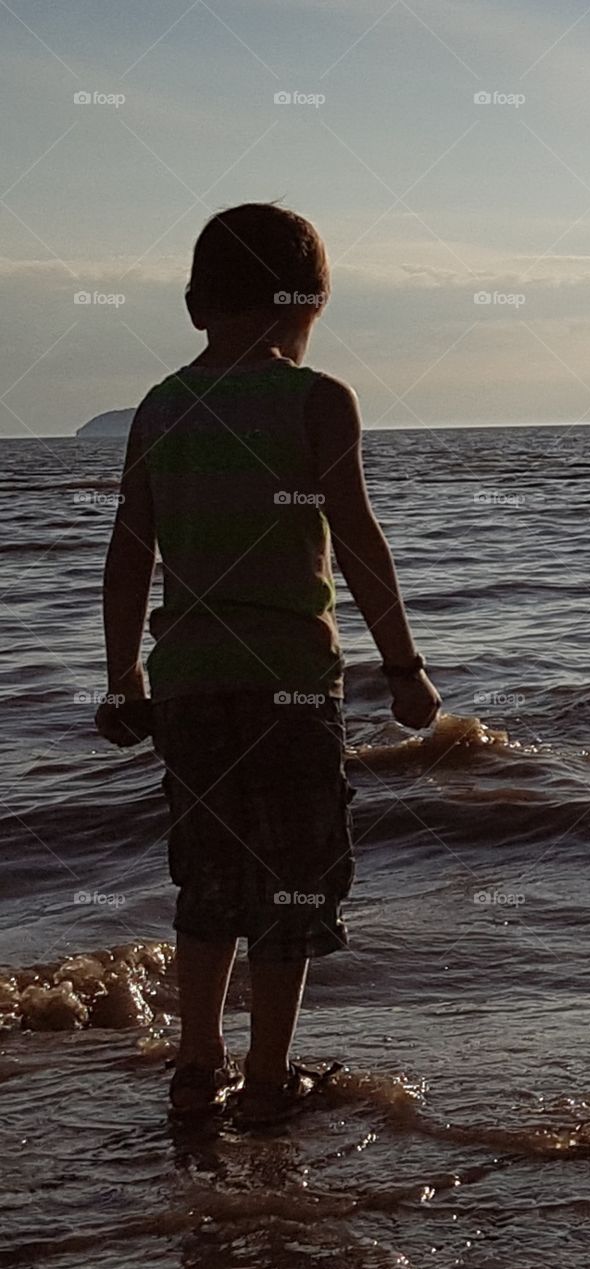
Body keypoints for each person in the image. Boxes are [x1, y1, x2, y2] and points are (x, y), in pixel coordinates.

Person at [96, 202, 441, 1123]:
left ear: (193, 305)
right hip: (289, 681)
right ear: (309, 305)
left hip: (190, 684)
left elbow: (129, 551)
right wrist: (403, 667)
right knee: (293, 877)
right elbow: (358, 540)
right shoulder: (317, 399)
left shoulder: (162, 408)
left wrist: (122, 675)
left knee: (208, 874)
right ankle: (262, 1080)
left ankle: (195, 1064)